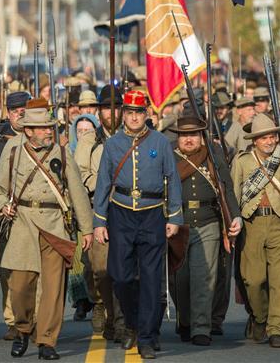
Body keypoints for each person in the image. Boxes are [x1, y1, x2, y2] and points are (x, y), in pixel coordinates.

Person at [0, 100, 94, 360]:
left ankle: (47, 340)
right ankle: (23, 329)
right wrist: (2, 206)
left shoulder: (62, 153)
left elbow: (77, 192)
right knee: (20, 286)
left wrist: (87, 229)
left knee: (53, 289)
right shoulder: (14, 151)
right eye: (43, 128)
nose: (49, 131)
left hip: (55, 225)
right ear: (29, 130)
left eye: (50, 127)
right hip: (22, 223)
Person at [93, 90, 183, 360]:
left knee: (152, 279)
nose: (134, 117)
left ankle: (146, 336)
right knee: (120, 276)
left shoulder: (160, 141)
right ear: (123, 114)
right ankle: (132, 322)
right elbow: (103, 182)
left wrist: (174, 217)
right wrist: (99, 221)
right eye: (130, 112)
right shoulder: (113, 144)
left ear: (146, 114)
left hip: (152, 213)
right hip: (120, 213)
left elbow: (173, 179)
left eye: (139, 112)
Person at [231, 114, 280, 347]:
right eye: (264, 137)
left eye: (272, 136)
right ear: (255, 140)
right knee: (253, 280)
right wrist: (233, 221)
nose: (269, 141)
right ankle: (260, 317)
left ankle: (277, 330)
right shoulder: (243, 161)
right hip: (251, 224)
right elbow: (234, 193)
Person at [170, 115, 241, 346]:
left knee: (204, 278)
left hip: (207, 221)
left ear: (201, 136)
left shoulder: (213, 155)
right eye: (184, 135)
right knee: (180, 280)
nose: (188, 139)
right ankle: (185, 321)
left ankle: (201, 327)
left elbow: (226, 188)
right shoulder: (169, 157)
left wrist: (235, 216)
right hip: (177, 223)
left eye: (193, 134)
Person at [76, 85, 126, 340]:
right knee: (100, 269)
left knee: (125, 270)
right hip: (100, 210)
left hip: (128, 210)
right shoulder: (89, 141)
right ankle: (104, 306)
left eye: (115, 107)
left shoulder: (133, 137)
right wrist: (105, 182)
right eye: (106, 108)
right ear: (99, 111)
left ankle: (120, 320)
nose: (111, 113)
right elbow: (80, 175)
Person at [0, 88, 30, 340]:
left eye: (25, 109)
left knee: (34, 265)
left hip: (35, 207)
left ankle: (32, 316)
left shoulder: (42, 132)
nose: (20, 114)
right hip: (5, 207)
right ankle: (13, 319)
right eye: (15, 111)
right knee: (8, 265)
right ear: (8, 114)